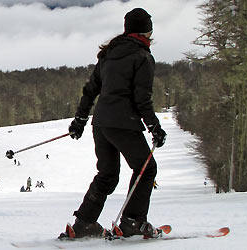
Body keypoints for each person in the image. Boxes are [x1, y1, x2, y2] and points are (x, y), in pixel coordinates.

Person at [59, 8, 167, 240]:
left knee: (107, 174)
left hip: (101, 124)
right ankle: (132, 222)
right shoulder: (143, 57)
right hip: (124, 123)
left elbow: (91, 90)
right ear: (147, 32)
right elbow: (142, 99)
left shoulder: (109, 54)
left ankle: (84, 223)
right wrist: (154, 127)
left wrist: (80, 119)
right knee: (146, 169)